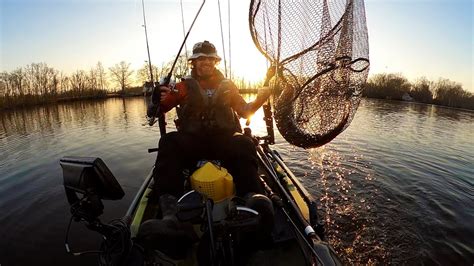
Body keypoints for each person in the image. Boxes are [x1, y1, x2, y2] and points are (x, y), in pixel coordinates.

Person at [139, 41, 275, 258]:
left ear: (215, 62)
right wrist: (156, 98)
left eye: (210, 59)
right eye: (201, 59)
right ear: (194, 62)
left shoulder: (229, 86)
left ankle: (253, 200)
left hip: (223, 142)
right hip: (193, 143)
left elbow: (245, 111)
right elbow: (156, 112)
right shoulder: (182, 87)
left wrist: (260, 99)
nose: (206, 63)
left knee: (244, 143)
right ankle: (170, 218)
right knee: (169, 142)